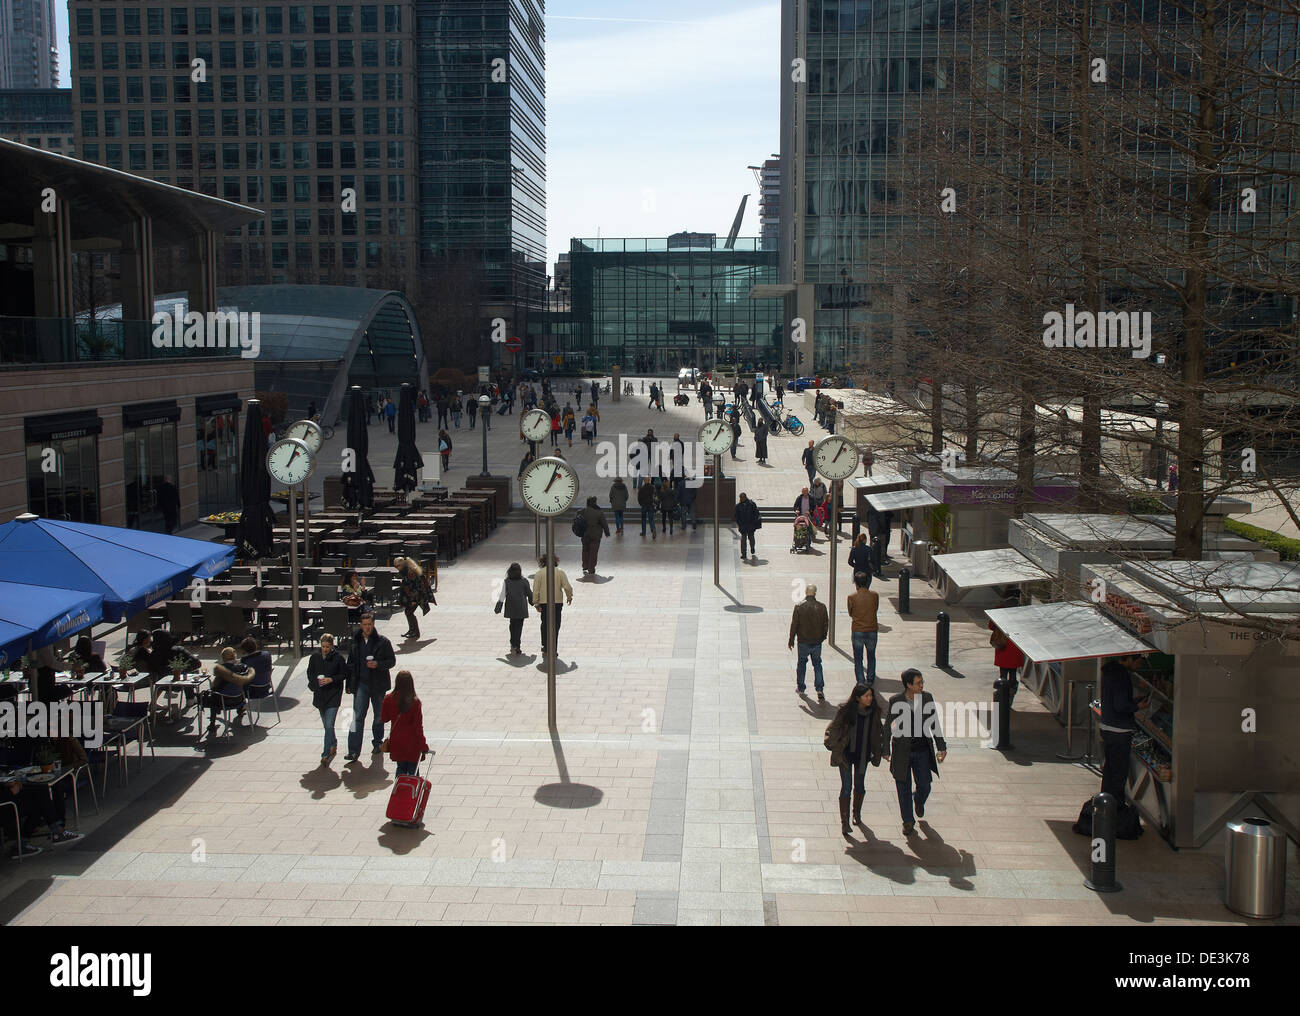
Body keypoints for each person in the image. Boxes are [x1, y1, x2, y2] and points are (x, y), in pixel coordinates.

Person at [887, 669, 947, 836]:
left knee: (925, 784)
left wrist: (941, 746)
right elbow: (887, 727)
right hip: (902, 751)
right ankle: (907, 821)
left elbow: (934, 723)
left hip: (921, 750)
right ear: (908, 685)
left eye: (922, 682)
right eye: (918, 683)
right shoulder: (895, 701)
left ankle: (918, 800)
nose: (921, 686)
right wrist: (885, 749)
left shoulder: (926, 698)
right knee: (902, 787)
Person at [825, 683, 889, 836]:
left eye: (870, 695)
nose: (870, 698)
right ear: (857, 697)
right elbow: (832, 729)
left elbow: (878, 732)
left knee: (859, 785)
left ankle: (856, 813)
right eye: (866, 696)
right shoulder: (845, 711)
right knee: (846, 786)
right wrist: (833, 744)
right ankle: (844, 822)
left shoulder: (873, 713)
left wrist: (879, 750)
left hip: (863, 755)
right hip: (846, 755)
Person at [344, 612, 396, 761]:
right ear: (361, 625)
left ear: (373, 625)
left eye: (369, 624)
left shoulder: (382, 642)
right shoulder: (355, 641)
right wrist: (349, 684)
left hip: (378, 685)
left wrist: (378, 664)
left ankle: (377, 742)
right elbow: (351, 664)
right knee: (357, 717)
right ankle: (353, 750)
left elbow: (391, 661)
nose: (367, 627)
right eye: (364, 625)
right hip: (361, 684)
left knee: (379, 716)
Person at [1099, 652, 1148, 803]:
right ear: (1129, 659)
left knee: (1110, 770)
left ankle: (1106, 802)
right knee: (1118, 773)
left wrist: (1131, 702)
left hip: (1107, 726)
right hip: (1119, 730)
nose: (1139, 666)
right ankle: (1115, 805)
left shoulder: (1109, 672)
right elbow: (1121, 706)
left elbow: (1116, 700)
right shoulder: (1121, 677)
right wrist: (1137, 706)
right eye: (1138, 662)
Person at [307, 632, 347, 764]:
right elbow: (310, 673)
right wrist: (314, 683)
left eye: (327, 646)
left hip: (333, 695)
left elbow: (343, 674)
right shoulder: (315, 657)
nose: (325, 649)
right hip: (320, 695)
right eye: (323, 646)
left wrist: (331, 679)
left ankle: (325, 754)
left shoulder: (338, 658)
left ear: (332, 646)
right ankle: (333, 743)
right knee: (327, 726)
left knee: (329, 724)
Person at [381, 670, 429, 778]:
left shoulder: (388, 699)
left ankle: (399, 792)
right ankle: (411, 793)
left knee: (400, 768)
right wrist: (423, 745)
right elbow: (418, 727)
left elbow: (384, 718)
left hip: (397, 741)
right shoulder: (415, 702)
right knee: (413, 772)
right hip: (412, 742)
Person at [788, 583, 830, 701]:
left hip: (803, 641)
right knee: (817, 664)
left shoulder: (799, 607)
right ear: (815, 593)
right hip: (817, 642)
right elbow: (825, 624)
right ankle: (820, 688)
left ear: (806, 593)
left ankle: (801, 687)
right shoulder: (822, 607)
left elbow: (794, 624)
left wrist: (791, 639)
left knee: (801, 663)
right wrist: (823, 637)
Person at [204, 645, 255, 738]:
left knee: (212, 696)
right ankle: (240, 710)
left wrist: (209, 682)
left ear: (223, 657)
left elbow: (214, 686)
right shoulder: (243, 667)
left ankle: (212, 723)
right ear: (234, 655)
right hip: (240, 699)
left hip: (224, 701)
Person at [532, 554, 574, 657]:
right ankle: (553, 648)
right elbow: (567, 587)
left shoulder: (539, 574)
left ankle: (545, 646)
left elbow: (536, 590)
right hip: (557, 602)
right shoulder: (560, 572)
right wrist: (569, 597)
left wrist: (536, 603)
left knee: (545, 623)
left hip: (544, 602)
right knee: (555, 625)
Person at [847, 571, 880, 686]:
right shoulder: (874, 595)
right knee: (871, 655)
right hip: (871, 629)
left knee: (858, 657)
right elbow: (875, 608)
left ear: (856, 583)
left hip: (858, 630)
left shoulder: (851, 597)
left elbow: (850, 613)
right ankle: (870, 678)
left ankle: (860, 680)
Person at [496, 562, 534, 655]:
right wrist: (533, 603)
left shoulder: (507, 581)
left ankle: (513, 642)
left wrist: (498, 608)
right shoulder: (524, 581)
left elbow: (502, 596)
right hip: (521, 608)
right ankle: (517, 644)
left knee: (512, 625)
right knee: (519, 626)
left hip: (511, 607)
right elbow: (529, 594)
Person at [988, 609, 1025, 704]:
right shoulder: (1020, 612)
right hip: (1015, 650)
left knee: (1003, 675)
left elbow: (991, 626)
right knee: (1013, 676)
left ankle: (1002, 699)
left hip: (1003, 649)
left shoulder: (999, 610)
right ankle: (1009, 700)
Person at [395, 556, 435, 640]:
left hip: (418, 595)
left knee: (409, 612)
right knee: (408, 612)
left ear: (402, 565)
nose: (396, 568)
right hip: (415, 595)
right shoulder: (405, 571)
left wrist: (413, 600)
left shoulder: (410, 572)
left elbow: (415, 586)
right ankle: (411, 630)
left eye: (397, 566)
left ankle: (416, 632)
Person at [579, 495, 611, 573]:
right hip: (595, 535)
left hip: (584, 534)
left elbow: (577, 522)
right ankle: (591, 568)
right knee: (593, 552)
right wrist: (607, 533)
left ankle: (585, 565)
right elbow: (604, 523)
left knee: (585, 549)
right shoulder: (599, 512)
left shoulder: (581, 511)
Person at [734, 491, 761, 561]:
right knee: (743, 540)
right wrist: (739, 524)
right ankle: (743, 554)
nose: (741, 499)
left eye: (743, 497)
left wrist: (754, 522)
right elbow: (736, 516)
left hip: (751, 526)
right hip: (743, 526)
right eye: (740, 498)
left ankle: (752, 547)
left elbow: (756, 513)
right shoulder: (738, 506)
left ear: (745, 497)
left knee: (751, 539)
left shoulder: (752, 504)